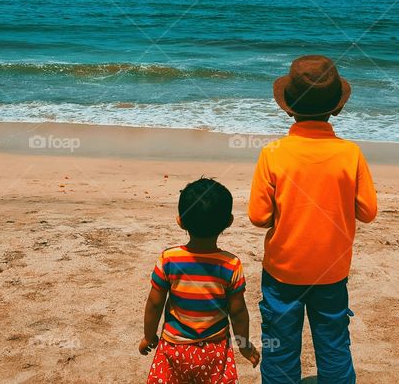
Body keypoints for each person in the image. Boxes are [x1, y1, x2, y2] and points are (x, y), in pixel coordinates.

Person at [248, 55, 378, 384]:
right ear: (336, 107)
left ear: (289, 106)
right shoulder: (350, 153)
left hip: (282, 271)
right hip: (332, 270)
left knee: (279, 348)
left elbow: (258, 216)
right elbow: (368, 212)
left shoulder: (273, 152)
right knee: (334, 343)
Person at [140, 178, 260, 383]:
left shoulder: (169, 259)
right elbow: (238, 312)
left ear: (180, 221)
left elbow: (154, 304)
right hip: (214, 350)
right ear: (228, 222)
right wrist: (244, 345)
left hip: (174, 348)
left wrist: (148, 336)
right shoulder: (231, 264)